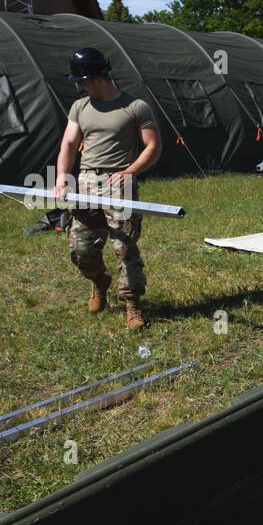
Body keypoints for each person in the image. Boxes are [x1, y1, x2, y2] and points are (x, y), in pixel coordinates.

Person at [54, 47, 161, 330]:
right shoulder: (79, 107)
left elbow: (152, 146)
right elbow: (68, 144)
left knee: (123, 247)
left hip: (119, 183)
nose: (79, 86)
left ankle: (132, 304)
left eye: (81, 80)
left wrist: (130, 171)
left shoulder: (135, 107)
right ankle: (99, 282)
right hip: (86, 182)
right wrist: (63, 175)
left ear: (97, 77)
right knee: (80, 249)